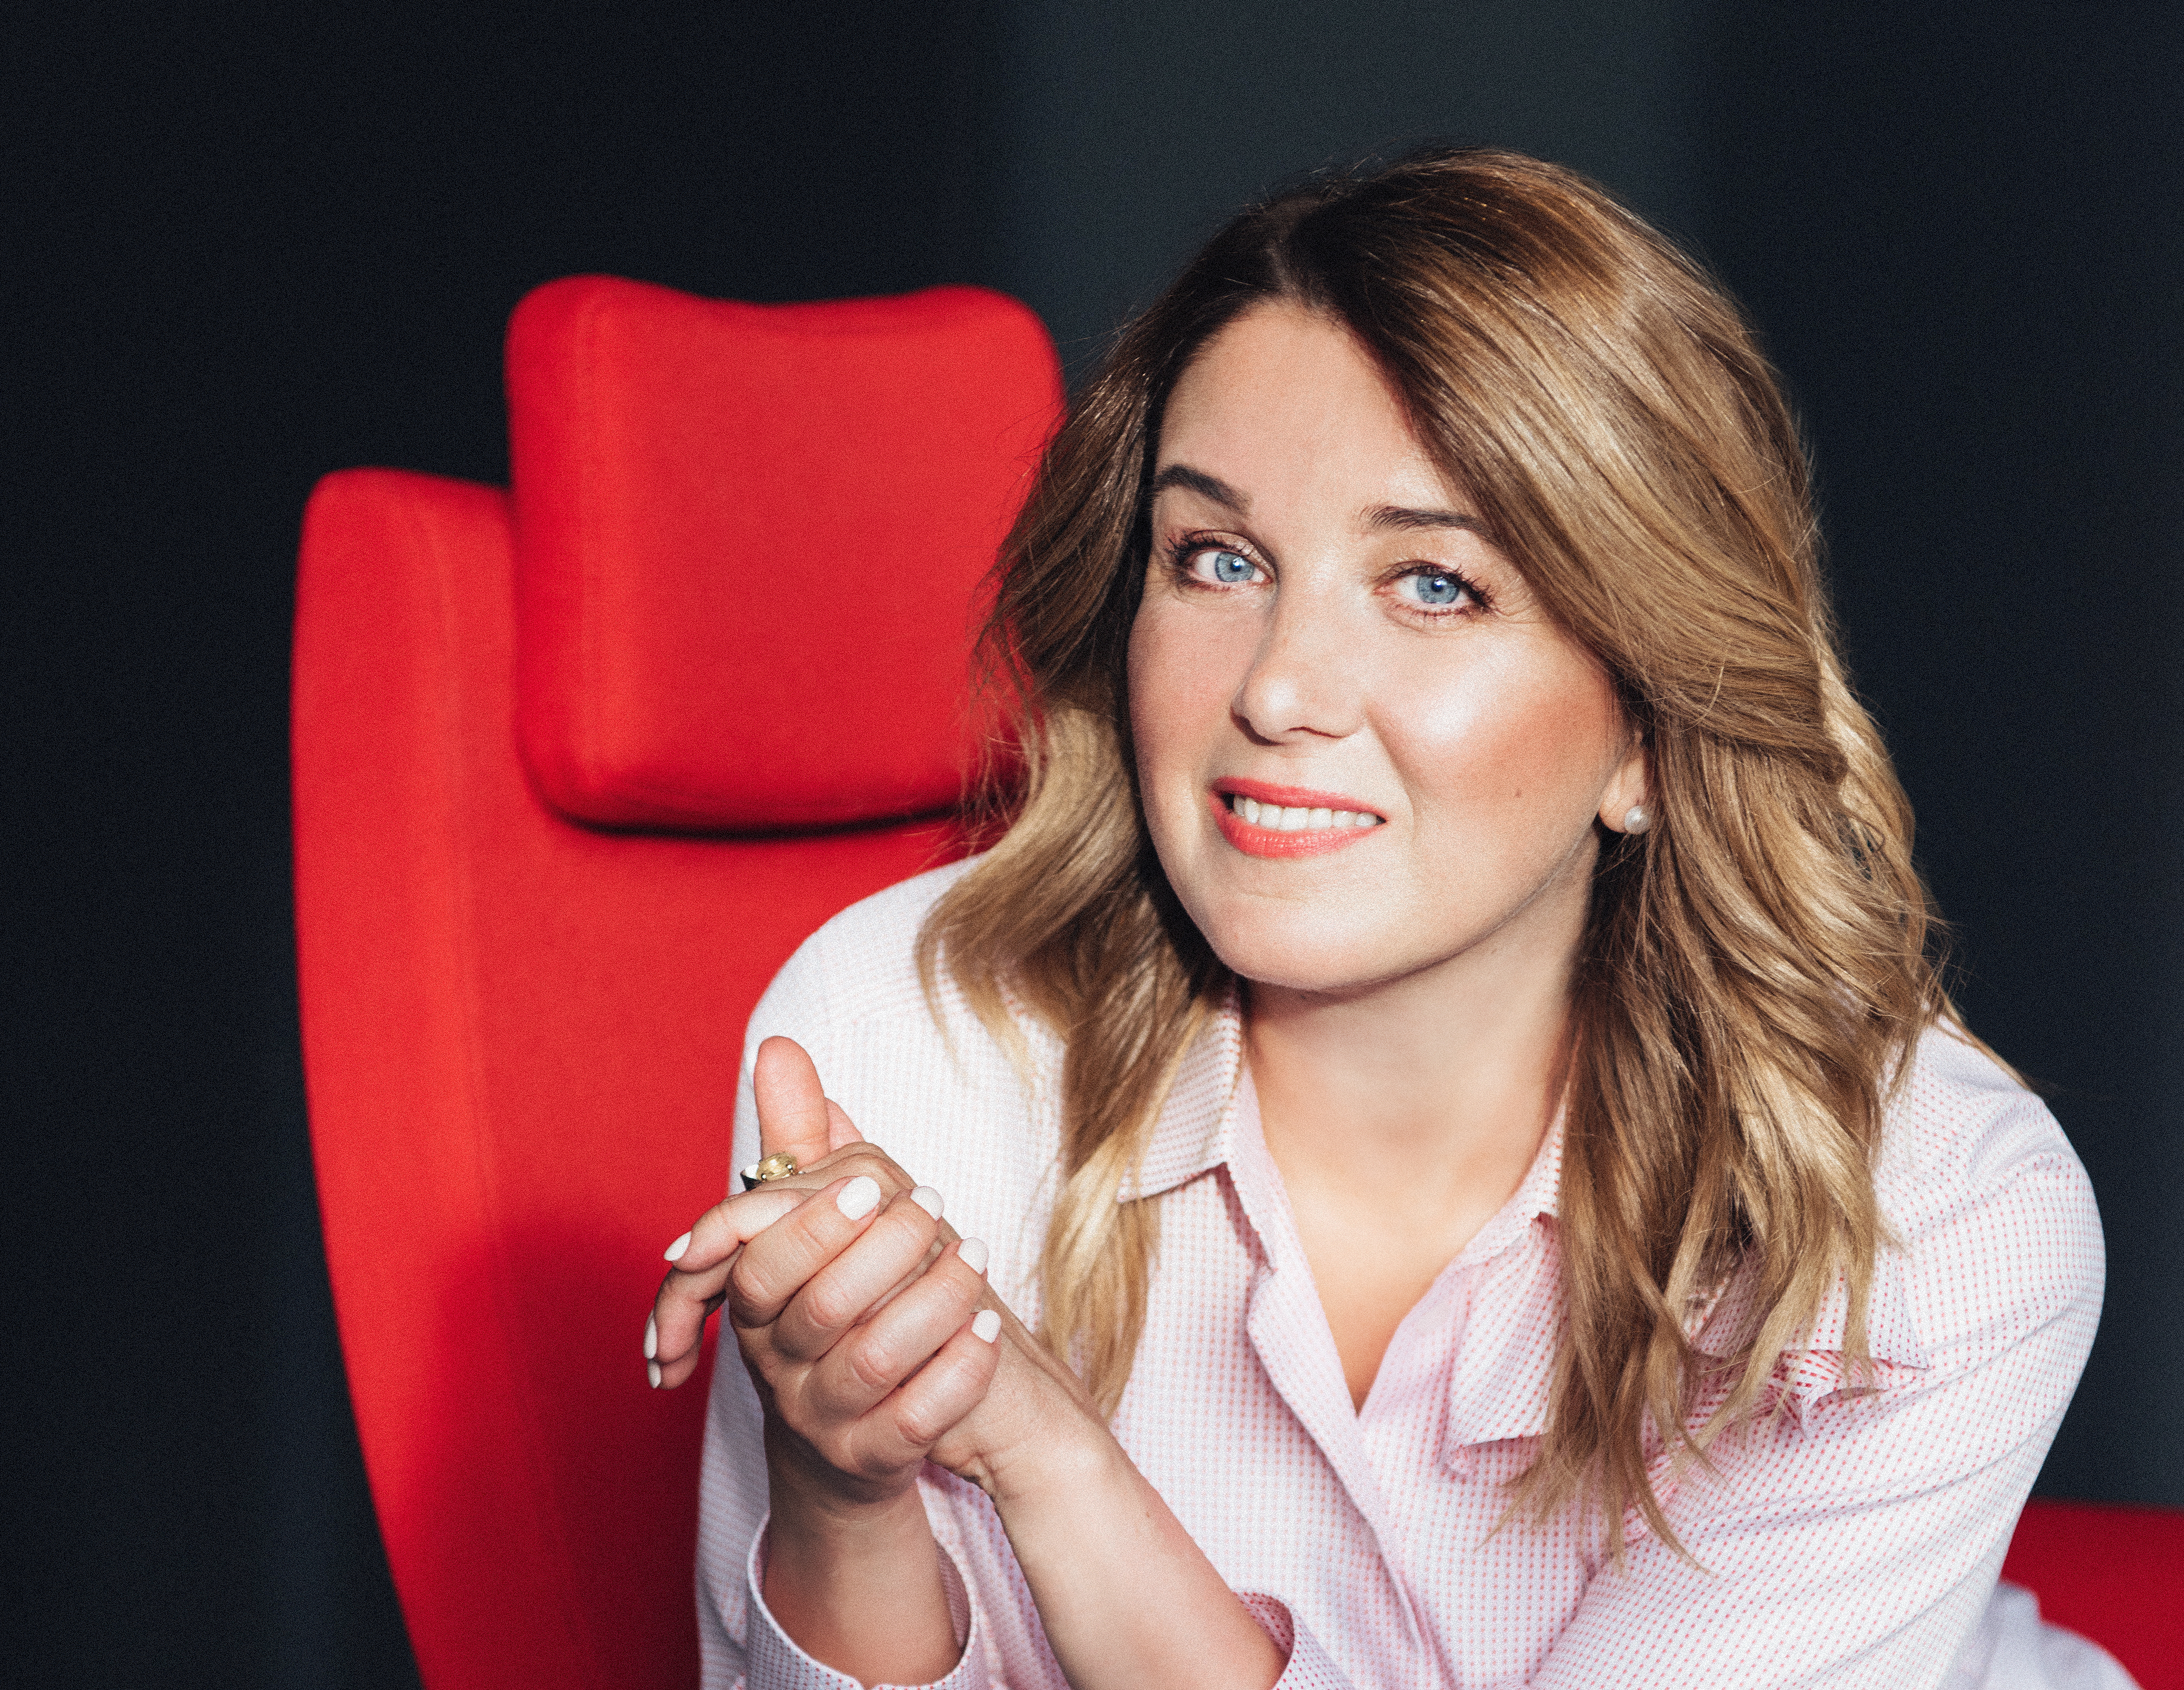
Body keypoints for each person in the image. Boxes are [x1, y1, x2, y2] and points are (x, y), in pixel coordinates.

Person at [646, 148, 2117, 1689]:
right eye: (1217, 561)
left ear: (1646, 730)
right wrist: (845, 1490)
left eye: (1433, 586)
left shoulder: (1934, 1213)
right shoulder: (911, 1034)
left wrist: (1045, 1452)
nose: (1277, 688)